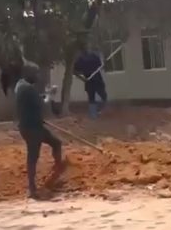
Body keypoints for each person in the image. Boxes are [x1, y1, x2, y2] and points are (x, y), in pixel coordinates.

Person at [14, 61, 64, 199]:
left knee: (56, 143)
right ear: (28, 74)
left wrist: (46, 94)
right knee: (33, 157)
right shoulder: (28, 89)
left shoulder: (21, 86)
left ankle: (57, 171)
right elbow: (42, 103)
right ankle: (32, 189)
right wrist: (50, 95)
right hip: (32, 129)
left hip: (31, 127)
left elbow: (36, 98)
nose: (38, 76)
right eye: (36, 73)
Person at [74, 44, 107, 118]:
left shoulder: (94, 56)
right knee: (92, 98)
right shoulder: (81, 60)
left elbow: (101, 66)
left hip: (97, 80)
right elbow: (74, 71)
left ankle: (96, 111)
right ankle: (93, 115)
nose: (88, 49)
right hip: (89, 81)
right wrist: (82, 78)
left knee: (103, 96)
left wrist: (103, 63)